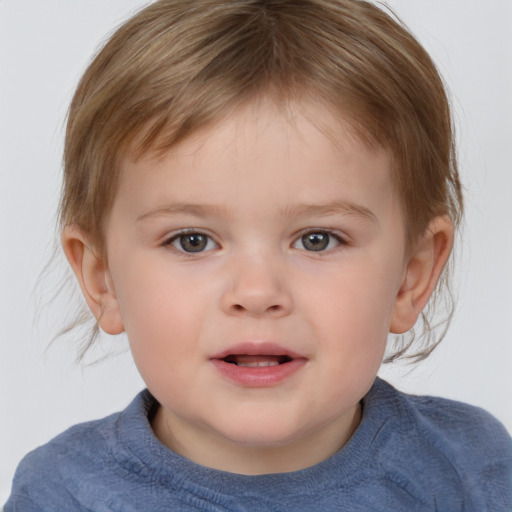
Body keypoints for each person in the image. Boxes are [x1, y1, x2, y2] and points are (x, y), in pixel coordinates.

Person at [5, 0, 511, 510]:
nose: (257, 293)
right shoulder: (63, 494)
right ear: (102, 280)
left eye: (318, 239)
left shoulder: (471, 471)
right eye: (192, 240)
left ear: (410, 277)